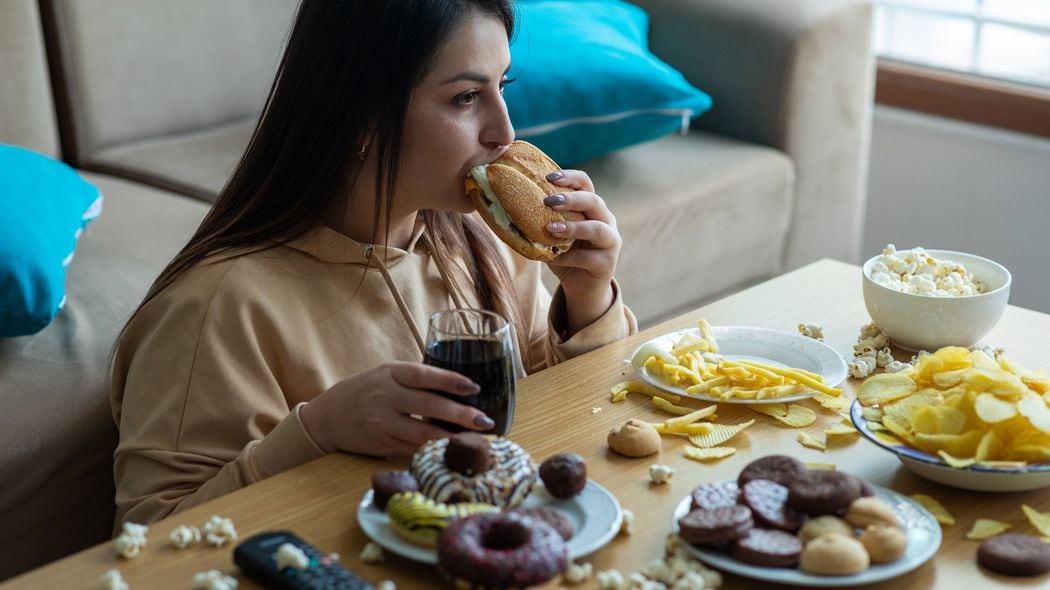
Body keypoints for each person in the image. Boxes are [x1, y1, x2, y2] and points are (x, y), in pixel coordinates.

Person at [110, 0, 636, 527]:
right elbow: (148, 539)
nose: (504, 130)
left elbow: (568, 423)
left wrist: (587, 301)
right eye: (466, 97)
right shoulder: (214, 310)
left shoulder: (487, 238)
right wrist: (317, 431)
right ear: (358, 116)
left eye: (504, 85)